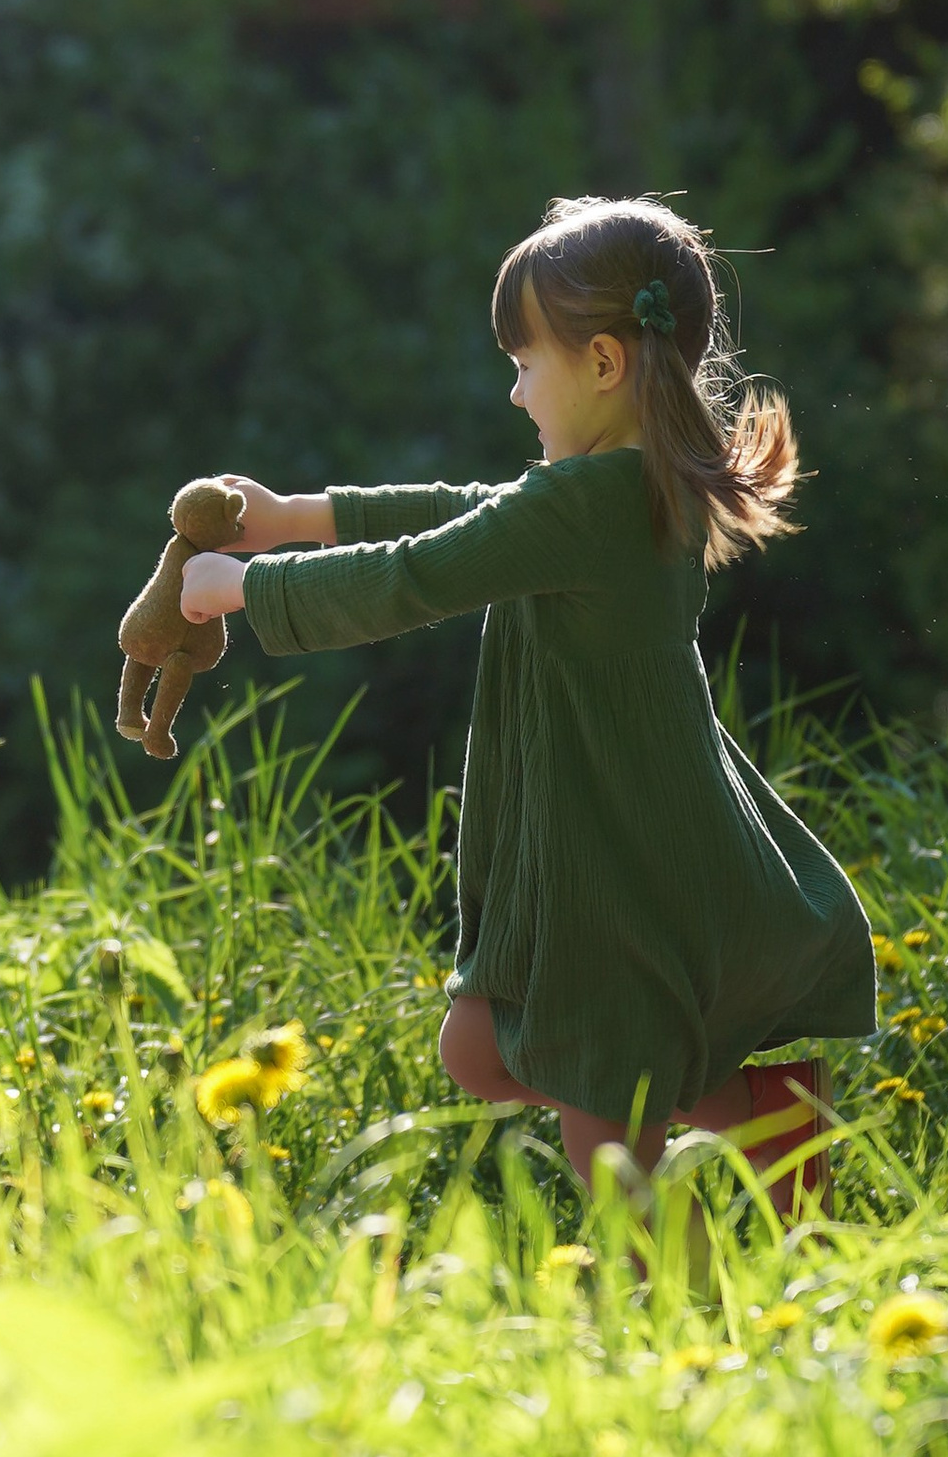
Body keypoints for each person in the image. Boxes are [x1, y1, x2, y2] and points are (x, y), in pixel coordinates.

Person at [175, 191, 874, 1222]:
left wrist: (242, 588)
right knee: (482, 1048)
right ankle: (768, 1116)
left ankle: (655, 1296)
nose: (513, 393)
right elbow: (474, 517)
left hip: (615, 842)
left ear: (603, 363)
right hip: (608, 807)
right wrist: (297, 517)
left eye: (524, 363)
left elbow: (418, 576)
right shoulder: (623, 483)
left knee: (600, 1099)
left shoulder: (594, 499)